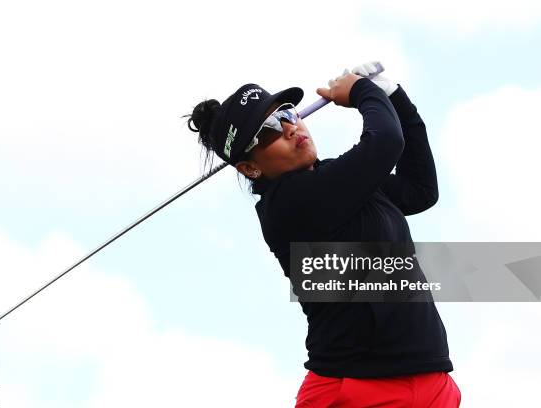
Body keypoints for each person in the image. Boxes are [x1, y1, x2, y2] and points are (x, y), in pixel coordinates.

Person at [186, 62, 461, 407]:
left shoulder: (336, 177)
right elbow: (385, 140)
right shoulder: (286, 205)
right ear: (249, 167)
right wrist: (363, 92)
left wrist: (394, 96)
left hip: (431, 384)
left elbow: (420, 189)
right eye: (268, 130)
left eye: (287, 113)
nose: (288, 127)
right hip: (351, 391)